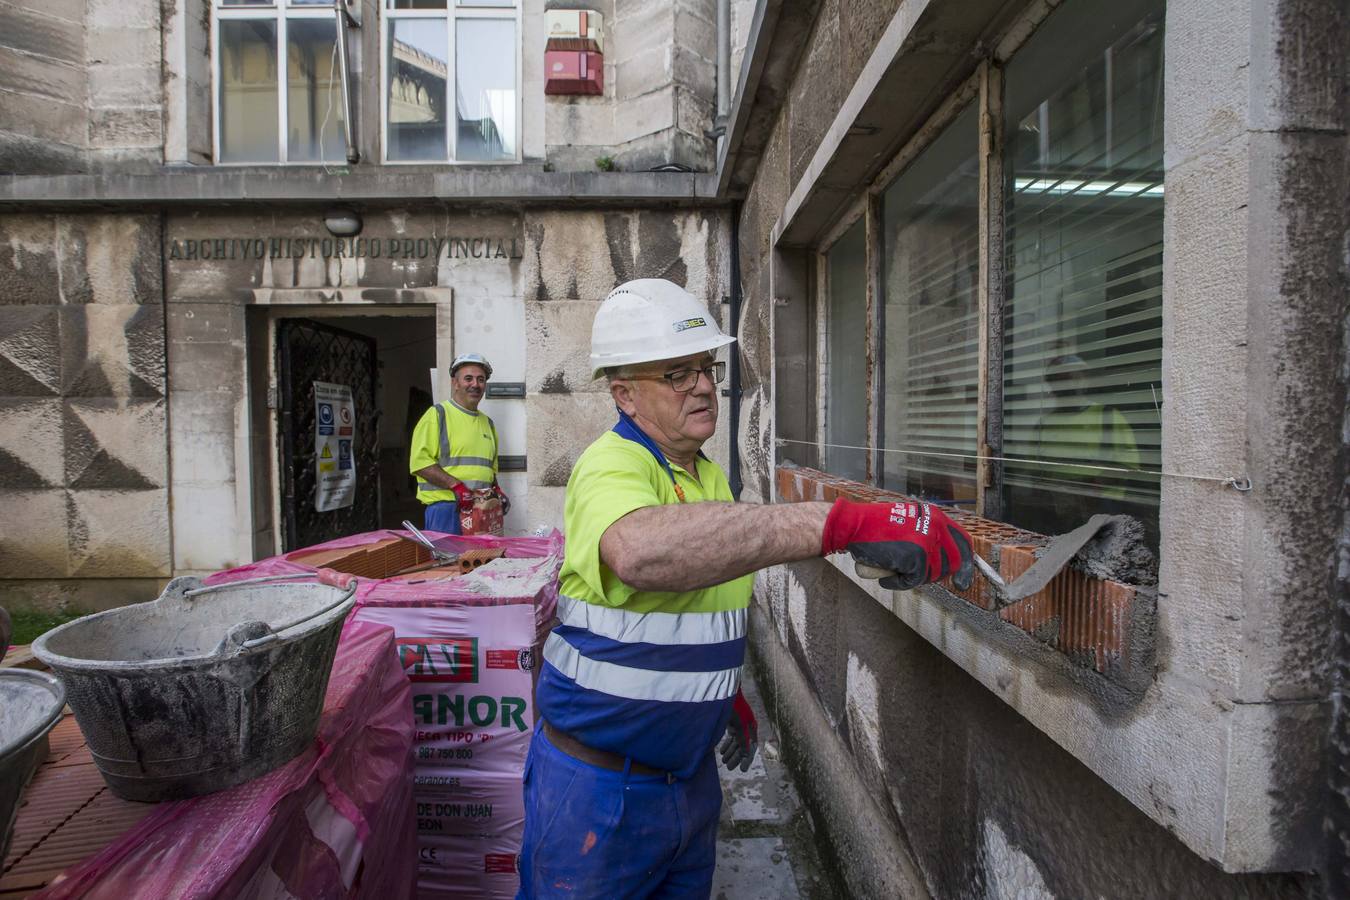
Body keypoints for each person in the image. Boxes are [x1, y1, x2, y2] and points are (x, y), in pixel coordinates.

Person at [517, 279, 974, 898]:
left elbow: (693, 603)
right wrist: (842, 522)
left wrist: (714, 695)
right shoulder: (613, 463)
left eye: (705, 367)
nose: (704, 385)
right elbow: (641, 553)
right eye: (677, 374)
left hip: (687, 783)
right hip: (600, 791)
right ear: (624, 395)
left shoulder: (705, 473)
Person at [409, 353, 509, 534]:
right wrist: (456, 486)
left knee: (483, 562)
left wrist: (497, 490)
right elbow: (420, 463)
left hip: (481, 509)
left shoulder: (488, 424)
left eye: (481, 379)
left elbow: (489, 470)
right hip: (446, 509)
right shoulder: (437, 415)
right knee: (448, 562)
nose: (475, 385)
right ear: (455, 383)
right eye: (468, 379)